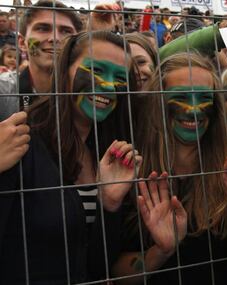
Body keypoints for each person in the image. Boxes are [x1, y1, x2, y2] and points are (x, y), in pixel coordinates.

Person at [0, 30, 141, 283]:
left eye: (120, 78)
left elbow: (97, 267)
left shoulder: (108, 151)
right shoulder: (20, 142)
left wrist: (109, 205)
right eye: (96, 71)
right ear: (65, 71)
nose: (108, 86)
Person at [113, 52, 227, 285]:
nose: (193, 110)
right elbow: (117, 275)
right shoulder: (132, 172)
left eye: (203, 97)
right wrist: (161, 250)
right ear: (158, 102)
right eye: (181, 96)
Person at [0, 0, 82, 105]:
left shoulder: (89, 88)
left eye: (66, 31)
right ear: (22, 42)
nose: (55, 38)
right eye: (42, 29)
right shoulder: (3, 88)